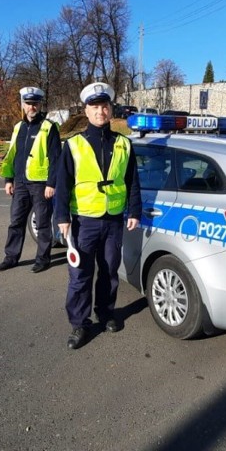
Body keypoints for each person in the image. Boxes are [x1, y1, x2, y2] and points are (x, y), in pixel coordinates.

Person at [55, 82, 142, 350]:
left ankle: (105, 313)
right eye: (95, 107)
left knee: (109, 271)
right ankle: (80, 323)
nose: (100, 111)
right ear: (86, 110)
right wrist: (62, 217)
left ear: (111, 109)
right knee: (80, 274)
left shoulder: (124, 144)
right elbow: (62, 183)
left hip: (114, 220)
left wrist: (134, 210)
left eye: (104, 106)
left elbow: (132, 180)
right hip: (83, 221)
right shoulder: (73, 144)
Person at [0, 87, 61, 274]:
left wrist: (51, 183)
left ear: (40, 105)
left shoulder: (49, 127)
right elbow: (12, 155)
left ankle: (43, 258)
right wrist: (9, 179)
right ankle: (11, 257)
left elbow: (56, 158)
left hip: (40, 184)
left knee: (42, 223)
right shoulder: (19, 127)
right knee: (15, 221)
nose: (31, 107)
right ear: (23, 105)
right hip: (20, 183)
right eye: (28, 103)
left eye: (35, 103)